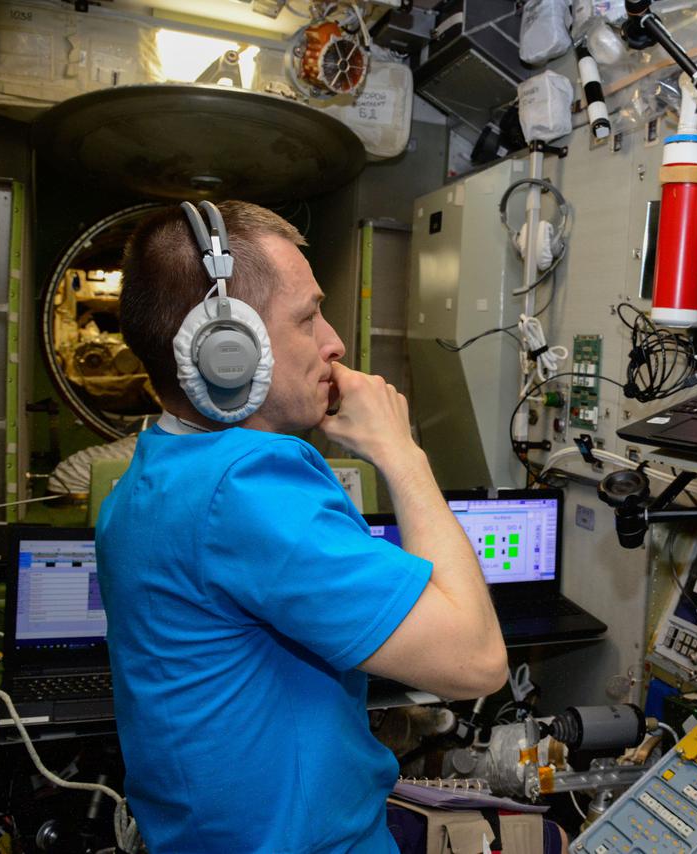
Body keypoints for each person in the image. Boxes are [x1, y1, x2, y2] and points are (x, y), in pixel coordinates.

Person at [95, 200, 508, 852]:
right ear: (226, 348)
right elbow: (478, 660)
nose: (333, 340)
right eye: (308, 316)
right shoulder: (248, 486)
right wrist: (403, 455)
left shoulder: (146, 481)